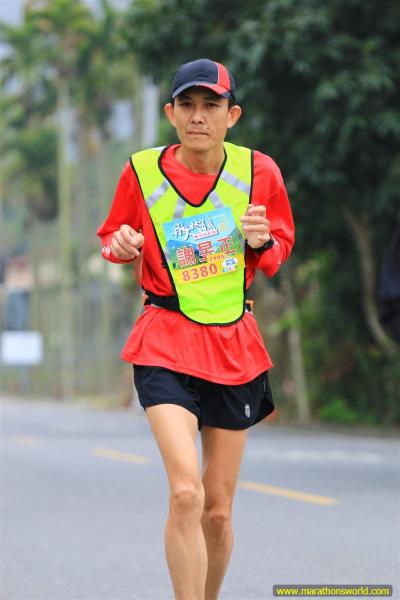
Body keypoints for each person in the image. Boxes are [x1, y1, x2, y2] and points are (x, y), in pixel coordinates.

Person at [97, 58, 295, 600]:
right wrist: (121, 245)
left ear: (233, 115)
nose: (198, 116)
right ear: (171, 113)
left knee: (217, 511)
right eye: (187, 104)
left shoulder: (260, 172)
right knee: (186, 492)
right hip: (163, 339)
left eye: (211, 105)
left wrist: (261, 242)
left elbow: (279, 248)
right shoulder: (141, 171)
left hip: (233, 346)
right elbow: (112, 237)